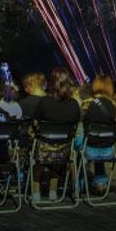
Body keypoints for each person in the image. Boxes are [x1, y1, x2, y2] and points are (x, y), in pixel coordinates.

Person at [31, 67, 81, 202]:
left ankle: (36, 192)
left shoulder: (44, 102)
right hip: (63, 149)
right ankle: (53, 191)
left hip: (43, 147)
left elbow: (35, 123)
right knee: (58, 159)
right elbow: (75, 125)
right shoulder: (74, 104)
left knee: (39, 160)